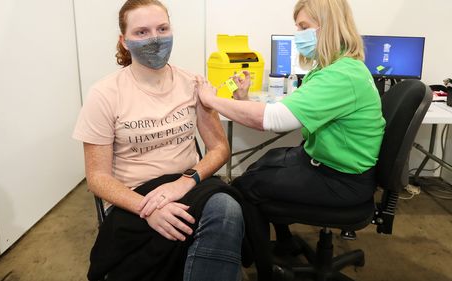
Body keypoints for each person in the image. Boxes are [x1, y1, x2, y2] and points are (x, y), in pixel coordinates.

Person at [198, 0, 385, 279]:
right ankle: (283, 243)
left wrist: (211, 100)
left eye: (304, 27)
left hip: (342, 180)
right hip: (326, 162)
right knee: (258, 169)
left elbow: (272, 120)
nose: (298, 34)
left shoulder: (342, 76)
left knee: (245, 189)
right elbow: (285, 115)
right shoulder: (332, 69)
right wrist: (244, 99)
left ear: (329, 27)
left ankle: (265, 271)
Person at [72, 1, 245, 280]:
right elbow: (97, 178)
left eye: (162, 28)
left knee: (227, 210)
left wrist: (184, 182)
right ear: (124, 41)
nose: (155, 38)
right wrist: (148, 209)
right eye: (141, 32)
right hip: (134, 199)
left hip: (188, 186)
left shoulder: (192, 84)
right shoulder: (104, 95)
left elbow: (219, 148)